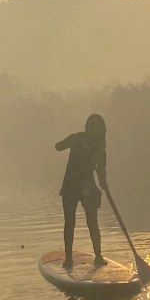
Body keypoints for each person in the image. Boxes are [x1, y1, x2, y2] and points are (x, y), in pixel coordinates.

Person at [55, 114, 108, 269]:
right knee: (69, 222)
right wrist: (71, 139)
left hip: (88, 187)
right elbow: (58, 147)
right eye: (91, 126)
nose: (93, 130)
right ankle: (68, 258)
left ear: (102, 131)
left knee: (93, 223)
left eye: (97, 127)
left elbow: (102, 171)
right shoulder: (77, 139)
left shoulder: (99, 148)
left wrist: (103, 184)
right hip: (70, 187)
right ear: (86, 128)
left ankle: (98, 256)